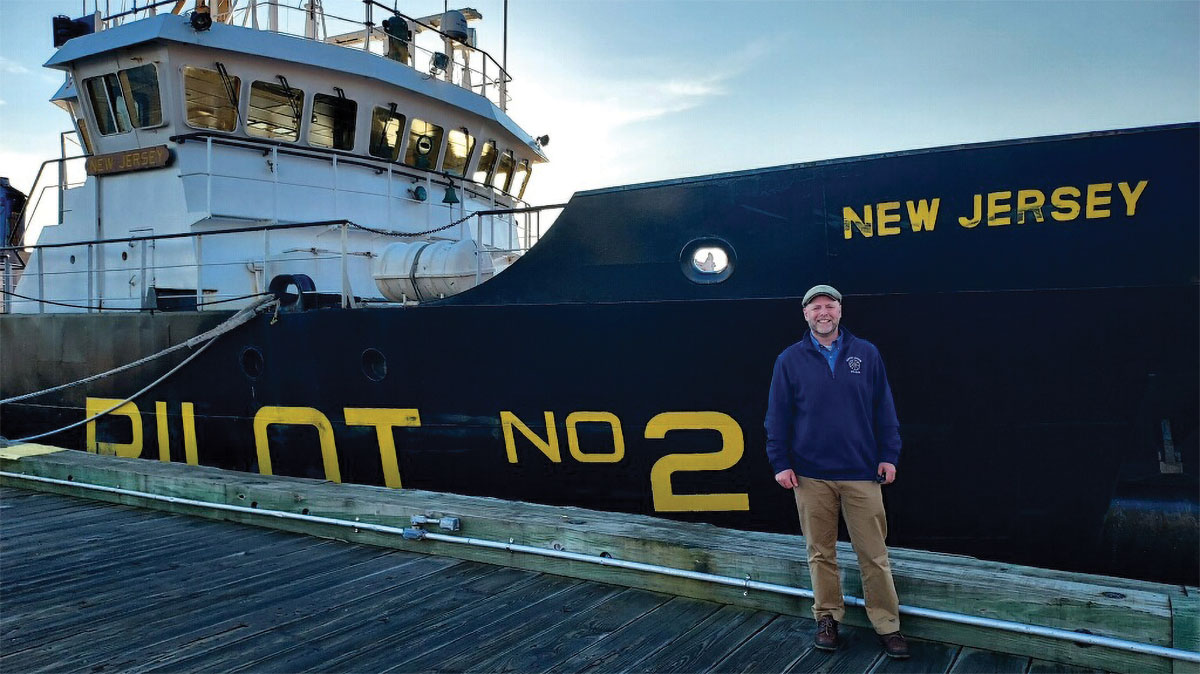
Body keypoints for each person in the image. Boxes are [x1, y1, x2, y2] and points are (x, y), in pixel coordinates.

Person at [764, 284, 910, 659]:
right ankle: (827, 617)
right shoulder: (789, 360)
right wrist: (780, 462)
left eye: (829, 305)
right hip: (810, 475)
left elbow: (884, 410)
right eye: (815, 307)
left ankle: (887, 625)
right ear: (805, 315)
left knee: (874, 554)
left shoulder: (866, 353)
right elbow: (777, 417)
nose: (823, 312)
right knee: (820, 552)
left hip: (862, 472)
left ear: (841, 312)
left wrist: (889, 455)